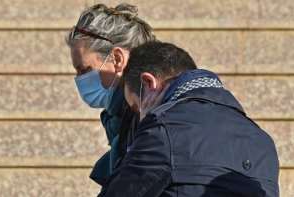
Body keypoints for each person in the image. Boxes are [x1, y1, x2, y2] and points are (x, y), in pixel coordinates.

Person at [98, 41, 279, 197]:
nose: (138, 119)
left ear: (149, 83)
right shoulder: (262, 141)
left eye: (136, 108)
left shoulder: (162, 131)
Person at [65, 3, 156, 186]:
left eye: (84, 70)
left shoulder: (149, 117)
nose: (79, 80)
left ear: (117, 59)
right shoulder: (122, 118)